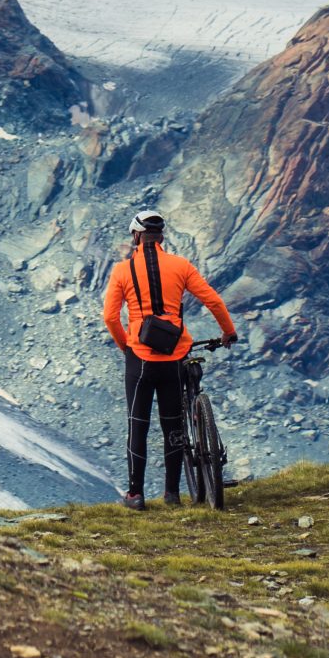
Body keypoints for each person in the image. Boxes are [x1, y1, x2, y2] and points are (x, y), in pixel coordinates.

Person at [100, 208, 236, 509]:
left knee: (138, 423)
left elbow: (110, 317)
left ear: (136, 236)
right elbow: (213, 300)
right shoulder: (181, 265)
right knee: (173, 425)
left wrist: (126, 347)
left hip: (140, 357)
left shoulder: (122, 271)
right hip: (175, 354)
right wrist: (228, 332)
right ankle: (172, 493)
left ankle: (135, 495)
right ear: (161, 237)